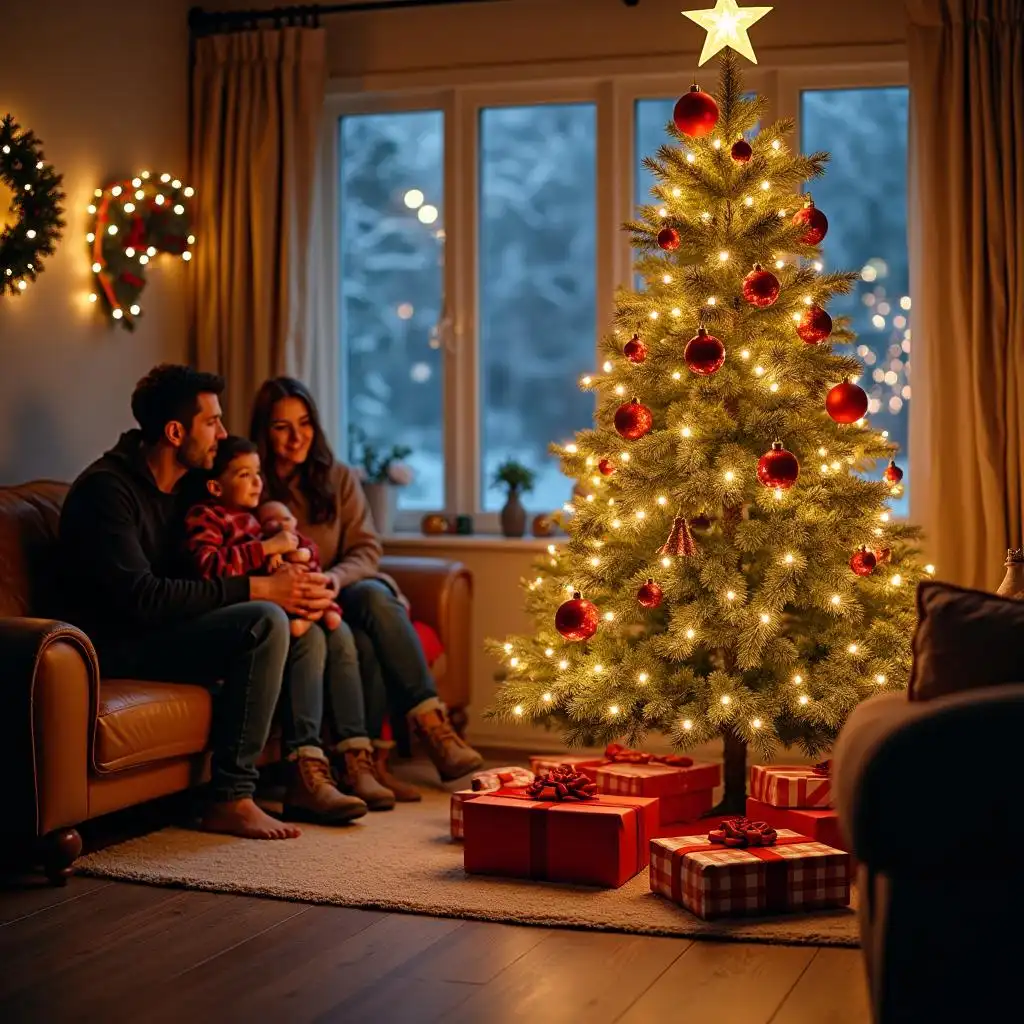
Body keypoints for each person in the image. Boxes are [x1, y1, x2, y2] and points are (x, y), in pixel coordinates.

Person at [59, 364, 367, 839]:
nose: (223, 434)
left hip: (171, 629)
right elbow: (143, 599)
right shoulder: (107, 491)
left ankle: (304, 772)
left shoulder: (187, 488)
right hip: (119, 644)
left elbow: (214, 561)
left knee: (297, 618)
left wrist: (284, 576)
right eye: (213, 422)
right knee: (265, 618)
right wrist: (261, 589)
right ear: (176, 431)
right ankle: (231, 798)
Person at [249, 376, 485, 802]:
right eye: (282, 427)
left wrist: (335, 578)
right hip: (293, 601)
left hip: (341, 586)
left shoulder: (336, 477)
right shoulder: (252, 483)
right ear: (264, 431)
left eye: (304, 423)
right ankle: (363, 765)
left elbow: (366, 548)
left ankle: (434, 728)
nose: (297, 436)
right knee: (360, 641)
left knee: (377, 596)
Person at [182, 437, 343, 638]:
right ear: (216, 487)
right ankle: (309, 616)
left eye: (257, 472)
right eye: (244, 475)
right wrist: (267, 548)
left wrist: (293, 554)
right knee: (313, 637)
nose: (257, 481)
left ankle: (315, 612)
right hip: (238, 605)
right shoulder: (206, 515)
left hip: (275, 595)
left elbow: (286, 542)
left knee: (332, 632)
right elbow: (207, 566)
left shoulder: (255, 517)